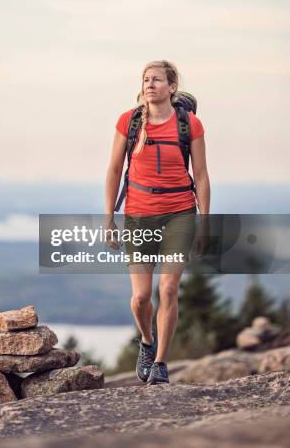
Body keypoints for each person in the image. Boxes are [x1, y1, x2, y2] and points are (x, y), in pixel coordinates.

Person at [105, 60, 210, 385]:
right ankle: (147, 342)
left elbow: (202, 175)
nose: (150, 85)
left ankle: (161, 363)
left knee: (168, 289)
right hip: (138, 215)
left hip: (179, 213)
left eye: (157, 80)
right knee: (140, 298)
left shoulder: (189, 125)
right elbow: (112, 170)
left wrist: (204, 222)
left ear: (172, 87)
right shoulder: (130, 122)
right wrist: (109, 218)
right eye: (146, 80)